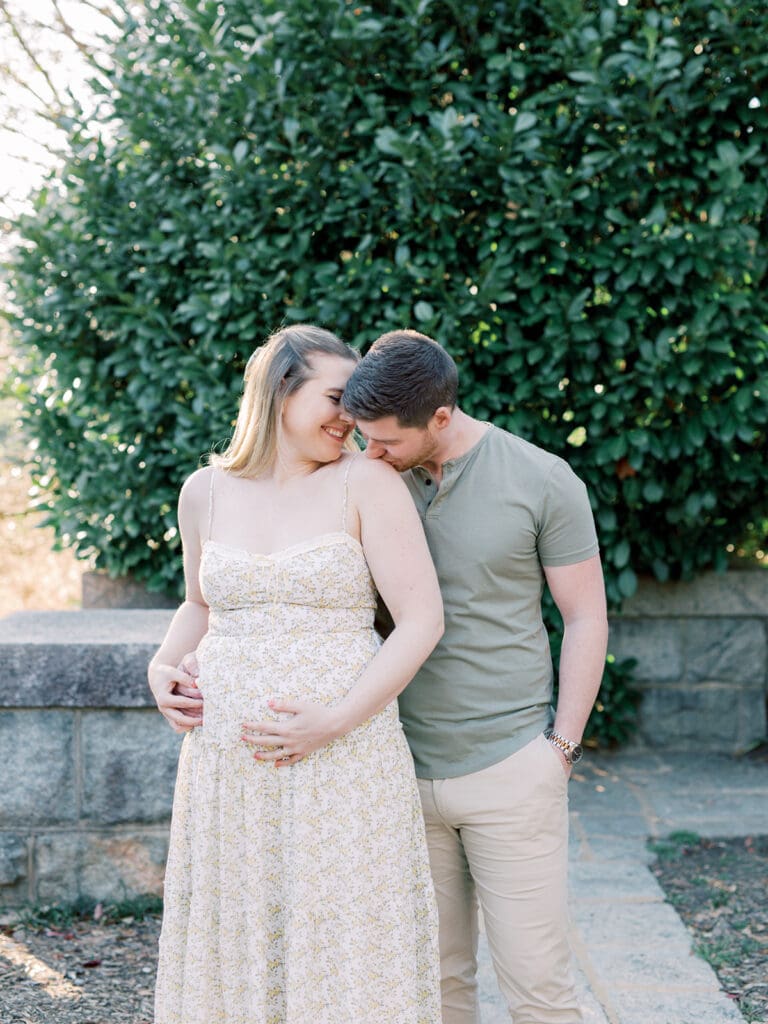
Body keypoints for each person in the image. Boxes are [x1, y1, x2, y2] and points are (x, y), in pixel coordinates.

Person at [148, 325, 443, 1024]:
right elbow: (199, 603)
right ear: (280, 391)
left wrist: (333, 721)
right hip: (228, 772)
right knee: (238, 938)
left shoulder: (365, 482)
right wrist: (161, 667)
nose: (350, 419)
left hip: (344, 761)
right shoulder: (205, 492)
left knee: (343, 942)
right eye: (337, 398)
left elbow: (423, 620)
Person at [341, 330, 609, 1024]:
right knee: (433, 988)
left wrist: (562, 750)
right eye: (363, 438)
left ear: (439, 416)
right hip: (396, 771)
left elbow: (585, 618)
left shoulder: (542, 479)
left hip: (510, 771)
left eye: (386, 442)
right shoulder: (366, 481)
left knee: (539, 991)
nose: (372, 455)